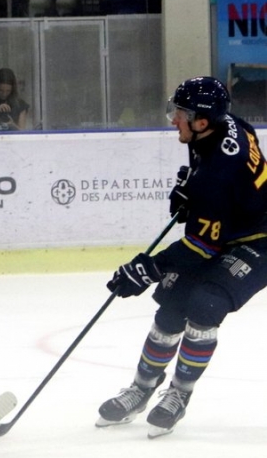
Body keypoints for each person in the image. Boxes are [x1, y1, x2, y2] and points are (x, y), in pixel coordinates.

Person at [97, 76, 267, 438]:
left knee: (205, 305)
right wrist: (190, 186)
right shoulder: (224, 125)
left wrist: (148, 268)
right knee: (172, 307)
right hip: (228, 227)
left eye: (180, 113)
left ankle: (178, 394)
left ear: (201, 121)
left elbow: (201, 247)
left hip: (259, 241)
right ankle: (142, 389)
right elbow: (212, 184)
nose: (173, 119)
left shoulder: (220, 172)